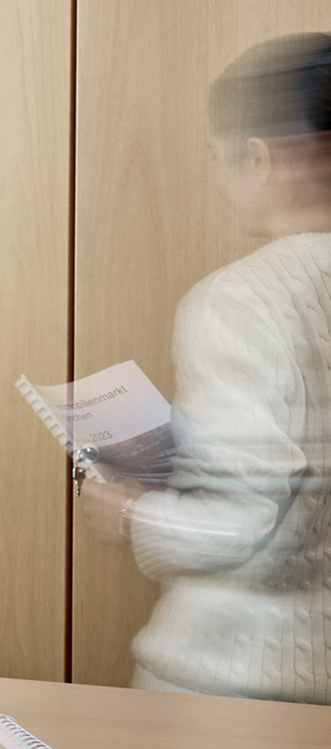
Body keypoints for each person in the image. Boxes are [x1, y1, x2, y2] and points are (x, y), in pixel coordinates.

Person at [83, 34, 331, 703]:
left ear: (259, 158)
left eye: (220, 159)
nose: (221, 182)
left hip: (247, 691)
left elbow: (258, 531)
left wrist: (134, 512)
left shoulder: (246, 299)